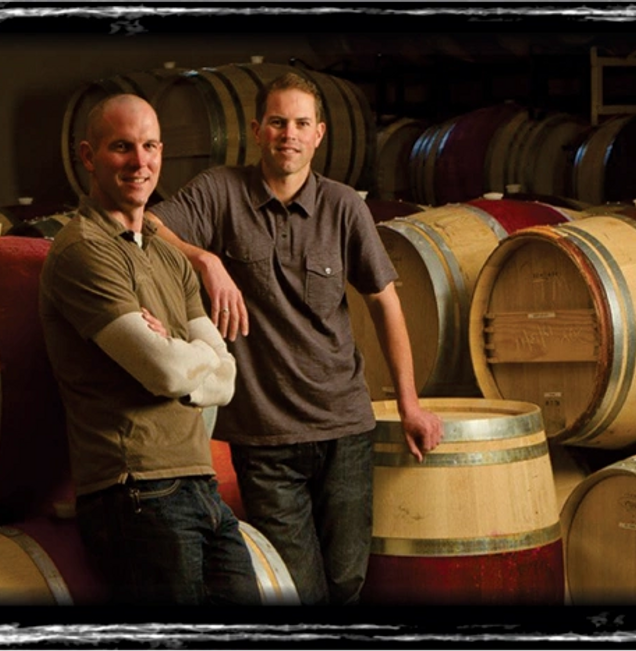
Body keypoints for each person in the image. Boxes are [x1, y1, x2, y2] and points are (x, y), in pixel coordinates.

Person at [145, 72, 443, 605]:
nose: (290, 134)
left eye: (301, 123)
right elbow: (145, 222)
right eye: (278, 122)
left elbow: (385, 302)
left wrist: (410, 403)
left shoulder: (344, 205)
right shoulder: (220, 191)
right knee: (299, 592)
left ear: (320, 134)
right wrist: (205, 259)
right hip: (265, 439)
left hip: (344, 427)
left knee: (348, 580)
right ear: (258, 130)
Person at [39, 93, 260, 605]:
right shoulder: (83, 250)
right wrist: (193, 354)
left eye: (150, 146)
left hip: (201, 486)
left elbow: (224, 383)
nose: (141, 162)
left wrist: (186, 353)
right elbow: (166, 374)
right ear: (88, 156)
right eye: (122, 147)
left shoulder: (169, 255)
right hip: (134, 489)